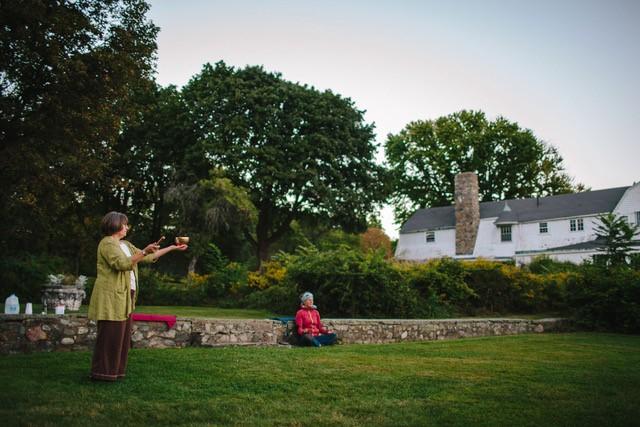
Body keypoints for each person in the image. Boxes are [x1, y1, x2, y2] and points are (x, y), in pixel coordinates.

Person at [88, 211, 188, 381]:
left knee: (122, 337)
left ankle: (115, 372)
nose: (127, 227)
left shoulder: (125, 244)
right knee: (110, 335)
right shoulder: (107, 244)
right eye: (125, 224)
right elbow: (121, 264)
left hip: (127, 295)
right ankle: (101, 373)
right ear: (115, 224)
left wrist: (171, 248)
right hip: (112, 296)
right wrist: (143, 251)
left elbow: (148, 258)